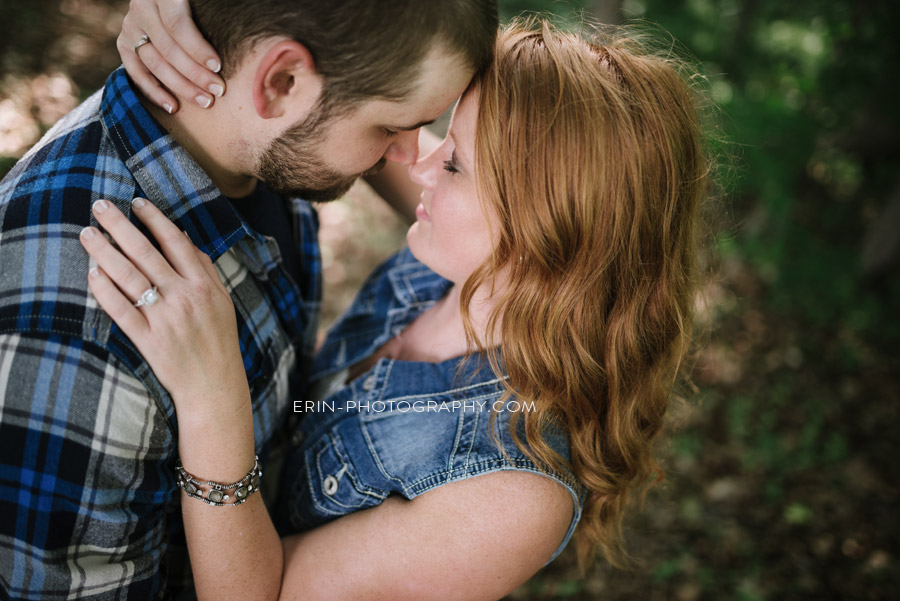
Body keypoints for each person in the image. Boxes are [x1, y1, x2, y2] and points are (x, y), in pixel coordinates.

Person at [78, 14, 712, 601]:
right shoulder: (471, 262)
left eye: (456, 162)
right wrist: (187, 17)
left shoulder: (513, 492)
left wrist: (212, 400)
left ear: (551, 229)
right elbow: (356, 107)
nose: (419, 159)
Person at [0, 1, 498, 598]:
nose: (408, 157)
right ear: (281, 82)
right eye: (391, 127)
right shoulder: (83, 330)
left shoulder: (255, 144)